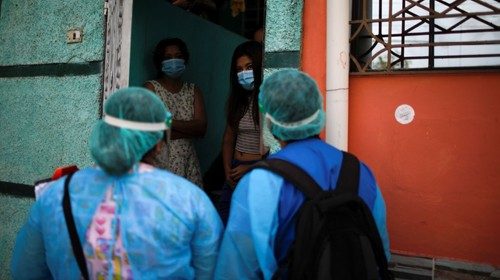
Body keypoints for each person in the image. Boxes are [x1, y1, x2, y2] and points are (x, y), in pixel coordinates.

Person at [11, 87, 223, 279]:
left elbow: (25, 271)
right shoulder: (189, 199)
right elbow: (214, 272)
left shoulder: (55, 194)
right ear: (159, 144)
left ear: (107, 135)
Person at [214, 69, 390, 279]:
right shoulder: (360, 171)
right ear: (318, 110)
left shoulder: (261, 181)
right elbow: (380, 252)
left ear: (269, 118)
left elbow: (237, 269)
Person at [145, 38, 206, 187]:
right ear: (160, 62)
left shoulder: (193, 90)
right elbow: (152, 130)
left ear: (185, 59)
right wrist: (188, 130)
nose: (174, 61)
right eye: (168, 57)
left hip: (188, 163)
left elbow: (201, 128)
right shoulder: (151, 88)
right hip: (161, 163)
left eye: (178, 56)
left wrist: (169, 123)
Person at [218, 40, 266, 224]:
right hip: (235, 169)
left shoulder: (266, 100)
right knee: (226, 216)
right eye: (239, 70)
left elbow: (274, 145)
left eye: (249, 67)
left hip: (258, 167)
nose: (244, 73)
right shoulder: (237, 101)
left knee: (250, 222)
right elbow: (228, 138)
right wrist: (227, 169)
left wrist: (252, 167)